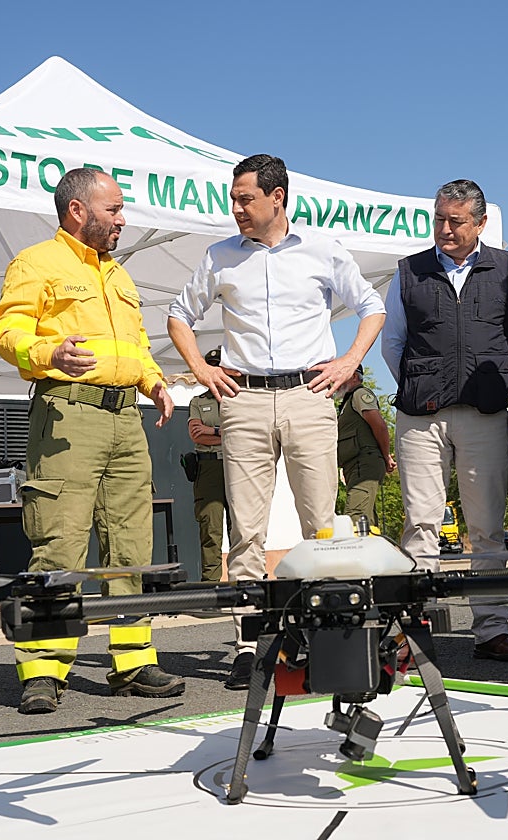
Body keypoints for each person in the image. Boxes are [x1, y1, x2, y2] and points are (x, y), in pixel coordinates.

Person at [167, 154, 385, 691]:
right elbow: (178, 315)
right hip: (242, 399)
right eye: (233, 200)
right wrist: (202, 371)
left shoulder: (322, 249)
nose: (236, 208)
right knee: (245, 529)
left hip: (309, 396)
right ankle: (250, 644)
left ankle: (324, 635)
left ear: (277, 196)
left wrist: (349, 362)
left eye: (246, 199)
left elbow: (372, 306)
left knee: (322, 524)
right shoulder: (219, 256)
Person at [0, 167, 183, 714]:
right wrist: (48, 354)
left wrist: (153, 381)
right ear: (78, 210)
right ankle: (43, 670)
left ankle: (133, 663)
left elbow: (137, 343)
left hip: (126, 420)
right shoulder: (36, 262)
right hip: (67, 415)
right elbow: (7, 332)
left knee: (132, 546)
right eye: (114, 209)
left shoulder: (119, 275)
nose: (122, 219)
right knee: (60, 545)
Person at [382, 179, 508, 663]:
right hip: (420, 418)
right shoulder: (408, 272)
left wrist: (499, 384)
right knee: (421, 523)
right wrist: (424, 384)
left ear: (481, 223)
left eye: (456, 221)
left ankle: (491, 630)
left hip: (483, 415)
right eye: (439, 219)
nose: (445, 229)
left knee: (488, 527)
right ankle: (413, 633)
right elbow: (393, 343)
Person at [336, 365, 396, 528]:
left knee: (355, 516)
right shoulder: (347, 401)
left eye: (341, 375)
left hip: (364, 463)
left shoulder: (360, 394)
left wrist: (386, 456)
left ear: (354, 376)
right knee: (365, 518)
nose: (336, 380)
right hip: (355, 466)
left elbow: (379, 426)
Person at [187, 348, 228, 583]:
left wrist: (211, 431)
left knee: (243, 527)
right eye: (210, 365)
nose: (215, 370)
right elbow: (196, 435)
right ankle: (211, 585)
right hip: (209, 469)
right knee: (210, 529)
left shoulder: (240, 398)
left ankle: (247, 582)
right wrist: (225, 434)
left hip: (236, 465)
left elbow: (245, 434)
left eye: (218, 365)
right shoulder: (198, 402)